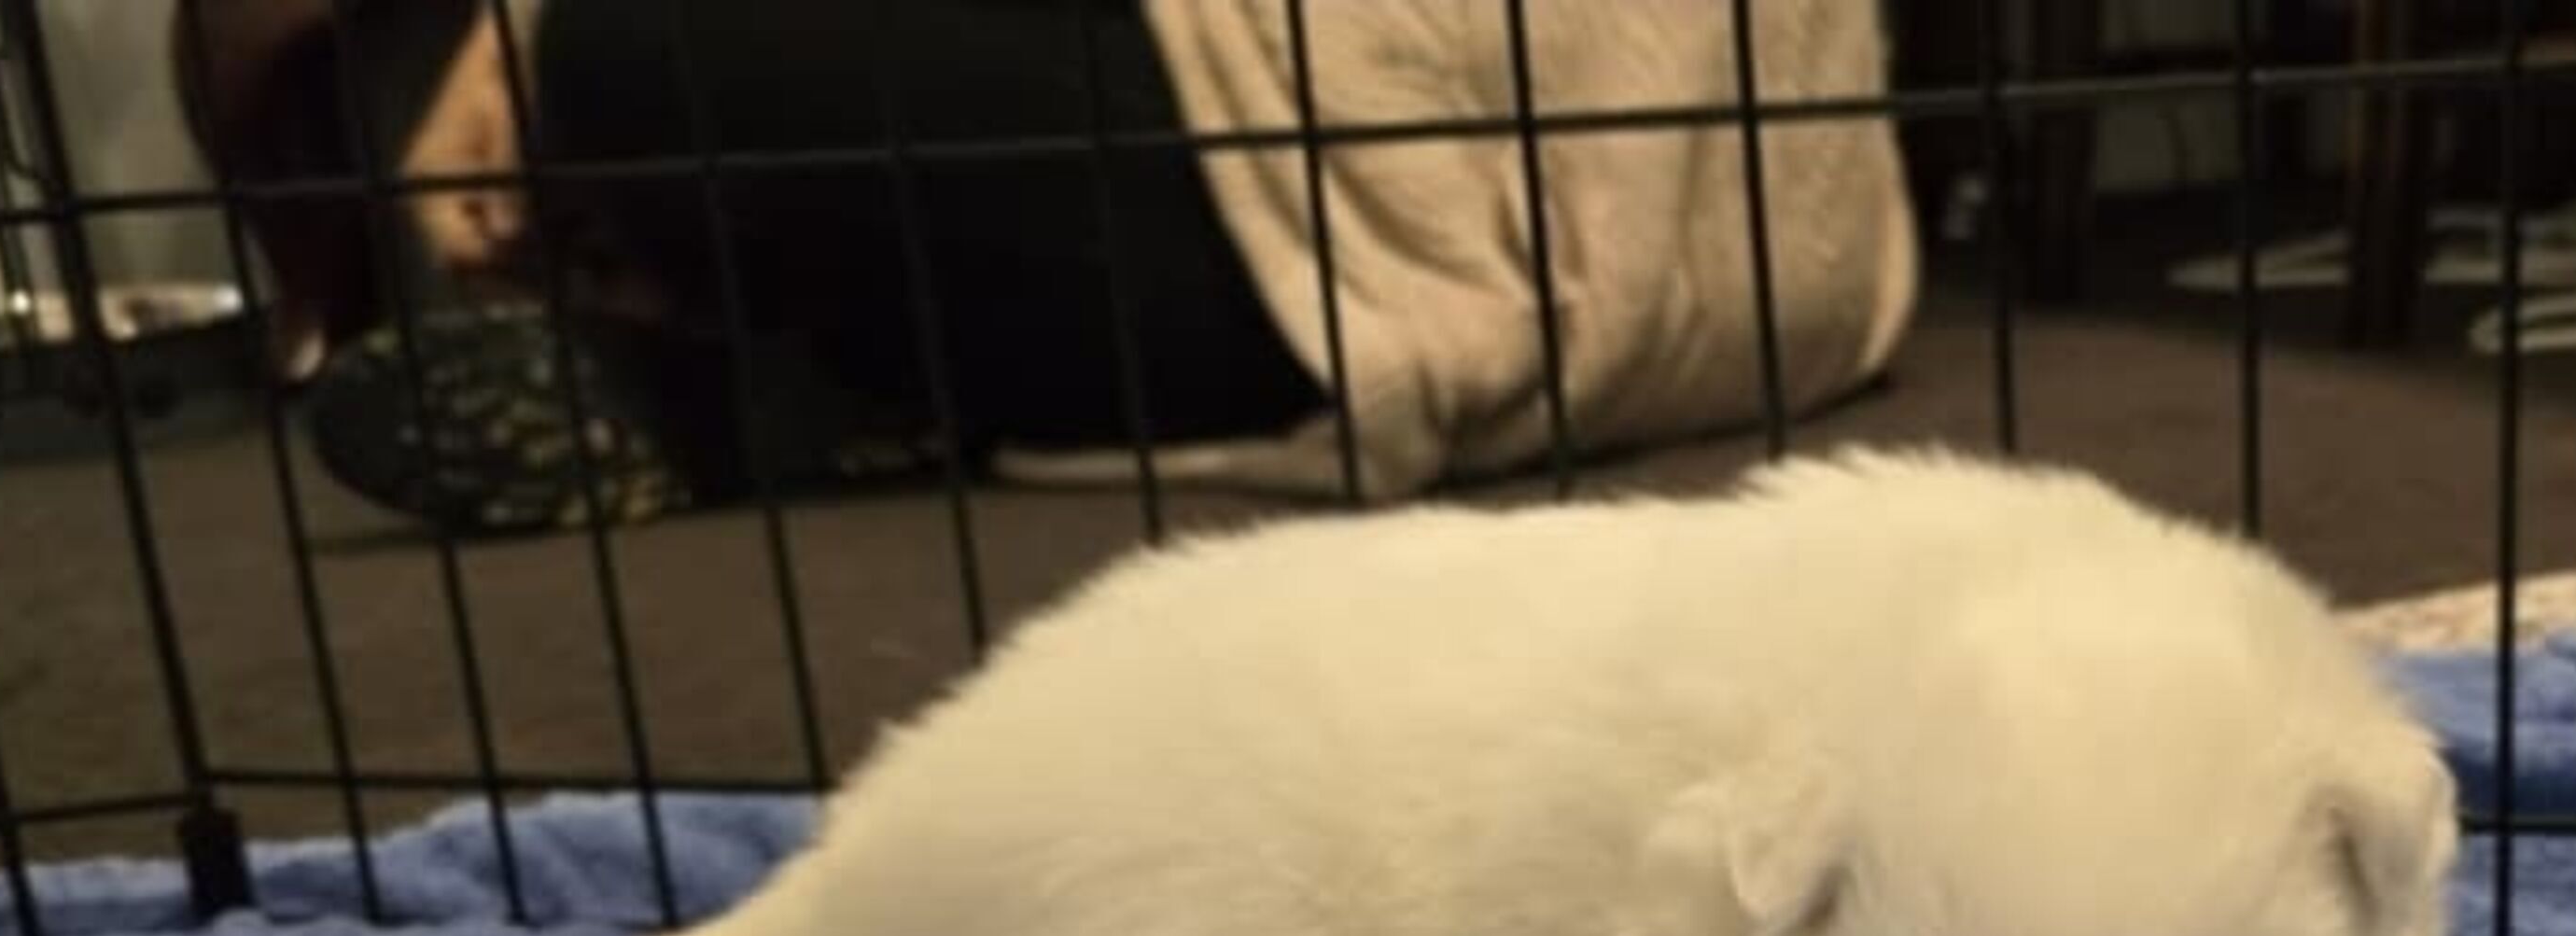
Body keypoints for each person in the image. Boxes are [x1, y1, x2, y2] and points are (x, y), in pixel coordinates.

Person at [175, 0, 1921, 534]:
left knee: (632, 55)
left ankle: (794, 378)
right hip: (1763, 260)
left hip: (1308, 194)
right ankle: (814, 372)